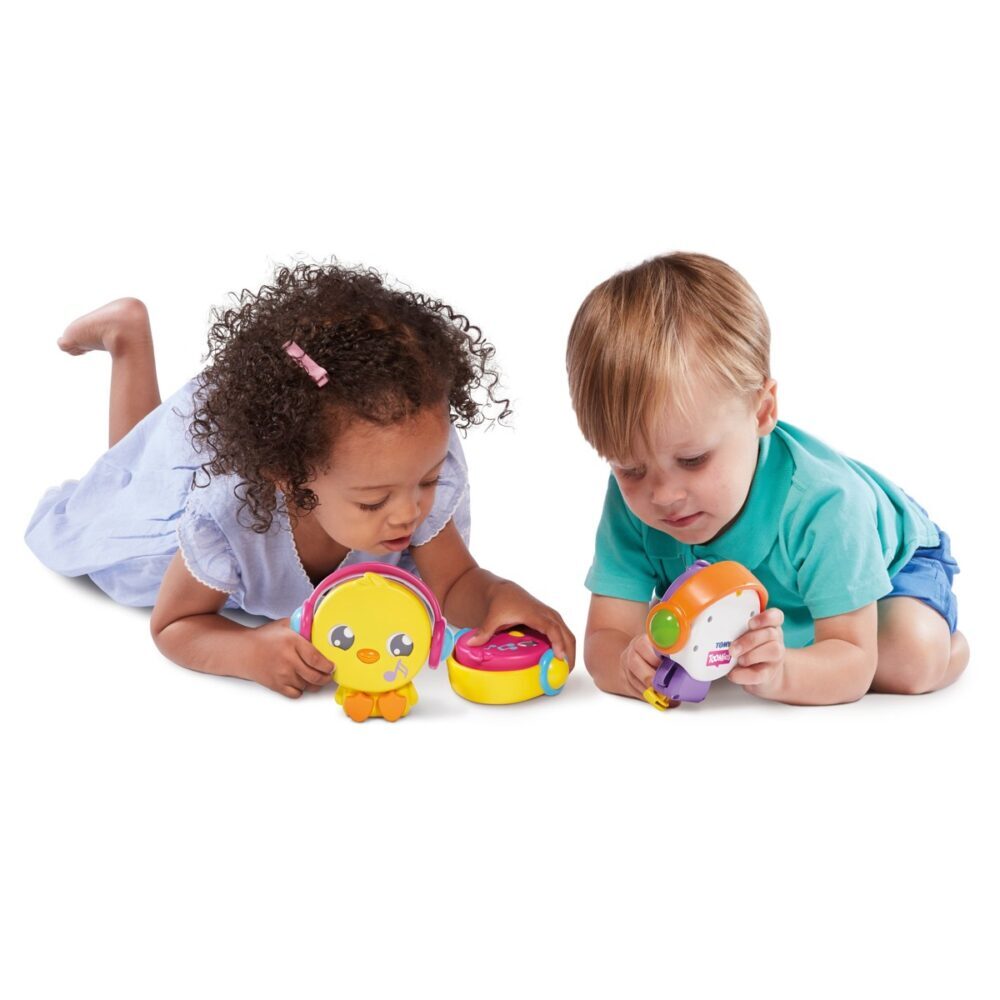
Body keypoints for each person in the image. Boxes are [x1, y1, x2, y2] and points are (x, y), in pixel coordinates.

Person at [27, 262, 574, 698]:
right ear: (289, 476)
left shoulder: (402, 471)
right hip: (202, 488)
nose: (410, 512)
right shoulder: (227, 519)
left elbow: (455, 585)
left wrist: (498, 597)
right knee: (133, 480)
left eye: (428, 482)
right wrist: (247, 652)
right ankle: (128, 338)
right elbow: (174, 625)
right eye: (373, 502)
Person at [566, 252, 967, 706]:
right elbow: (605, 636)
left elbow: (854, 663)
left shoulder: (827, 506)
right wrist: (627, 664)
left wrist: (784, 673)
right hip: (779, 595)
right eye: (630, 468)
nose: (663, 495)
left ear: (762, 411)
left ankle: (950, 649)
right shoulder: (634, 502)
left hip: (891, 563)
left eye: (694, 459)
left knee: (908, 656)